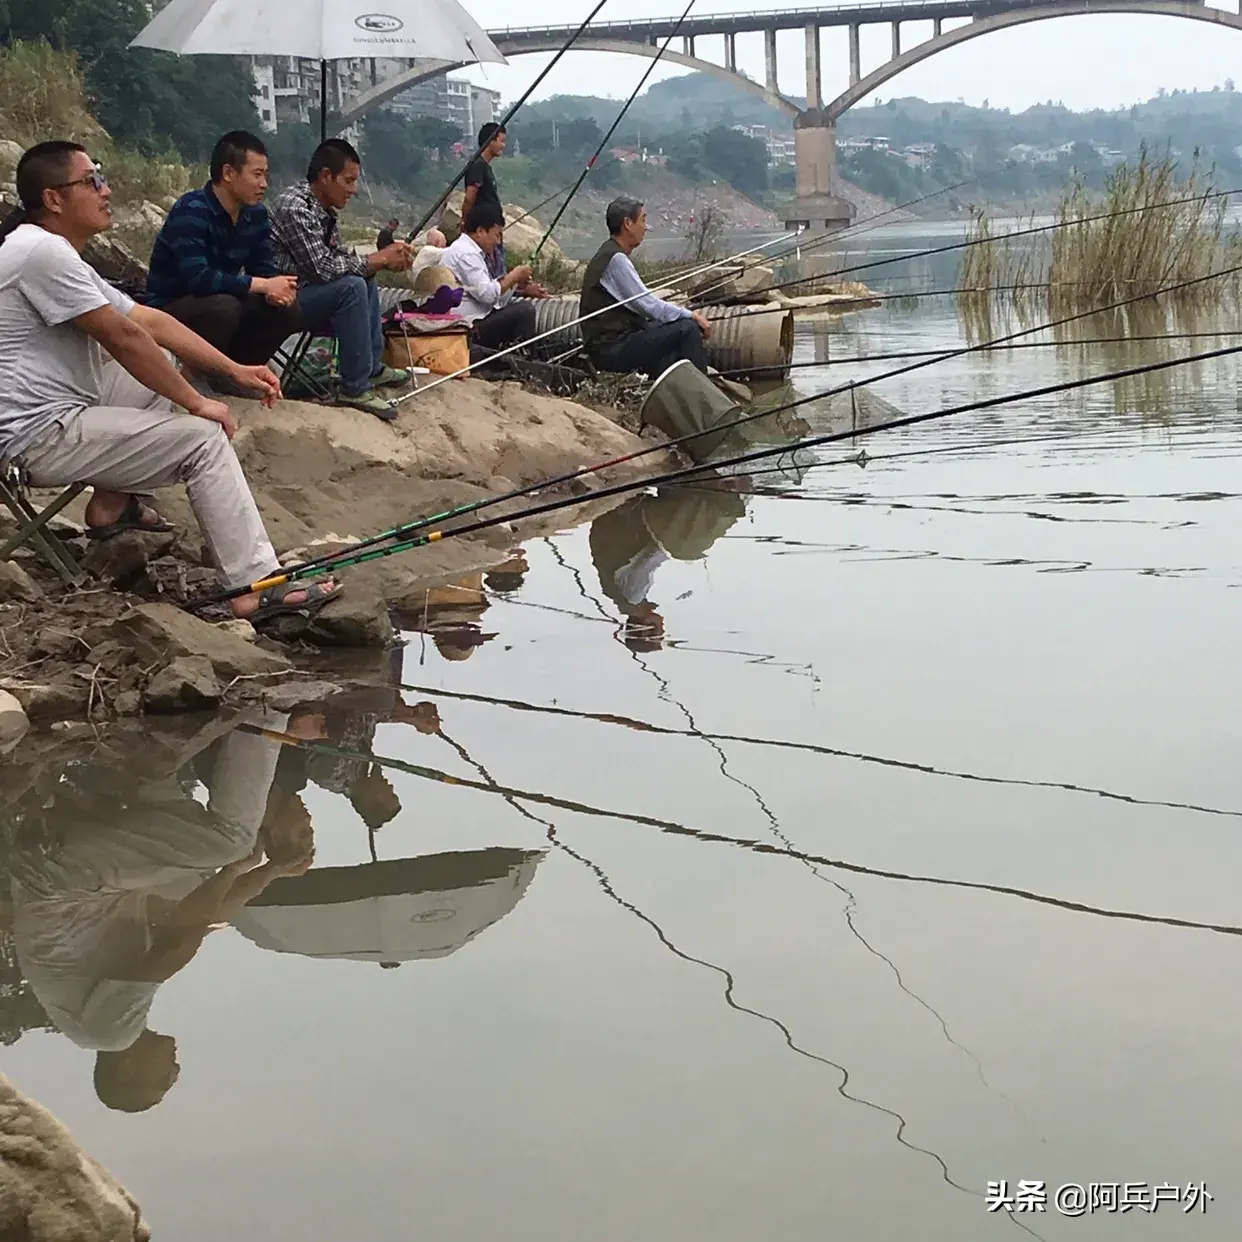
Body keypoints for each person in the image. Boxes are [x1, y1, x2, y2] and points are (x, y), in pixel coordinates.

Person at [0, 141, 340, 625]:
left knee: (160, 354)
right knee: (203, 442)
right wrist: (199, 403)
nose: (106, 189)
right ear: (54, 199)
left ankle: (109, 510)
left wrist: (233, 369)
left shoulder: (48, 249)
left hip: (60, 411)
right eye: (91, 181)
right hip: (35, 436)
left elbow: (149, 323)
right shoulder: (41, 253)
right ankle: (254, 587)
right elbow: (121, 336)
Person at [8, 709, 316, 1113]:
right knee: (199, 871)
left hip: (62, 880)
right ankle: (157, 735)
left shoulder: (109, 1035)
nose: (174, 1072)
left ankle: (266, 717)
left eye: (161, 1082)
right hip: (71, 878)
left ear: (127, 1071)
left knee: (230, 840)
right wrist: (268, 872)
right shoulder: (98, 1015)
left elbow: (179, 941)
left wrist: (239, 863)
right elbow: (197, 913)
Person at [269, 139, 414, 421]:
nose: (353, 189)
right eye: (348, 181)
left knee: (363, 277)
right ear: (326, 176)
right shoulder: (294, 207)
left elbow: (338, 259)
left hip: (307, 292)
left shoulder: (324, 212)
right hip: (281, 300)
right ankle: (354, 387)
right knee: (352, 286)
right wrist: (378, 258)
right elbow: (323, 268)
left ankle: (370, 368)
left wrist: (380, 260)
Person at [145, 130, 300, 376]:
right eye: (257, 175)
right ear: (228, 173)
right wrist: (262, 284)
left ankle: (240, 373)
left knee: (285, 309)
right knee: (223, 308)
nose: (264, 184)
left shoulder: (255, 214)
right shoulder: (191, 210)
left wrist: (277, 291)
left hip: (221, 298)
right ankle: (198, 373)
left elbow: (264, 268)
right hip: (171, 308)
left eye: (265, 175)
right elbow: (200, 279)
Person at [580, 196, 712, 377]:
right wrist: (692, 316)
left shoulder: (608, 254)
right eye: (643, 220)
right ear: (627, 223)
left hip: (610, 343)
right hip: (610, 349)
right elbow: (648, 305)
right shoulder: (616, 260)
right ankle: (703, 397)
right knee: (687, 329)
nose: (646, 227)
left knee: (665, 328)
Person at [443, 202, 543, 351]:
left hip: (474, 319)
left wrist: (515, 284)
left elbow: (495, 297)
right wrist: (513, 276)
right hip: (466, 326)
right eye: (496, 235)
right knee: (525, 310)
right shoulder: (466, 254)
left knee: (515, 308)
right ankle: (522, 360)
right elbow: (488, 295)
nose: (497, 242)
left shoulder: (470, 251)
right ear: (480, 231)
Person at [462, 123, 507, 278]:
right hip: (486, 229)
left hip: (493, 228)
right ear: (491, 141)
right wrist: (465, 222)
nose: (503, 145)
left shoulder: (486, 167)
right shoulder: (477, 166)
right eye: (501, 140)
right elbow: (469, 197)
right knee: (494, 274)